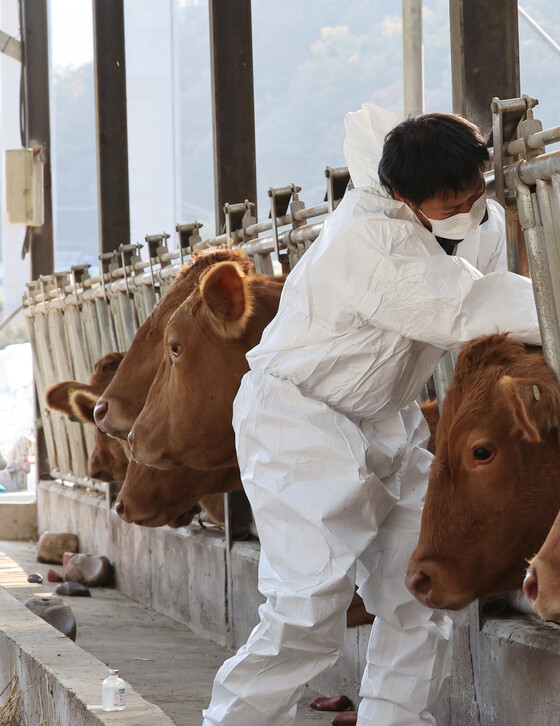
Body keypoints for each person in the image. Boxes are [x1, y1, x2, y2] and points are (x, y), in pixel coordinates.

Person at [202, 104, 541, 726]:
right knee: (308, 606)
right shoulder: (366, 234)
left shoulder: (481, 223)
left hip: (387, 416)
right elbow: (461, 309)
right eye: (446, 204)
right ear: (401, 195)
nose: (465, 211)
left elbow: (482, 303)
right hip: (297, 419)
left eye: (473, 193)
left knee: (422, 583)